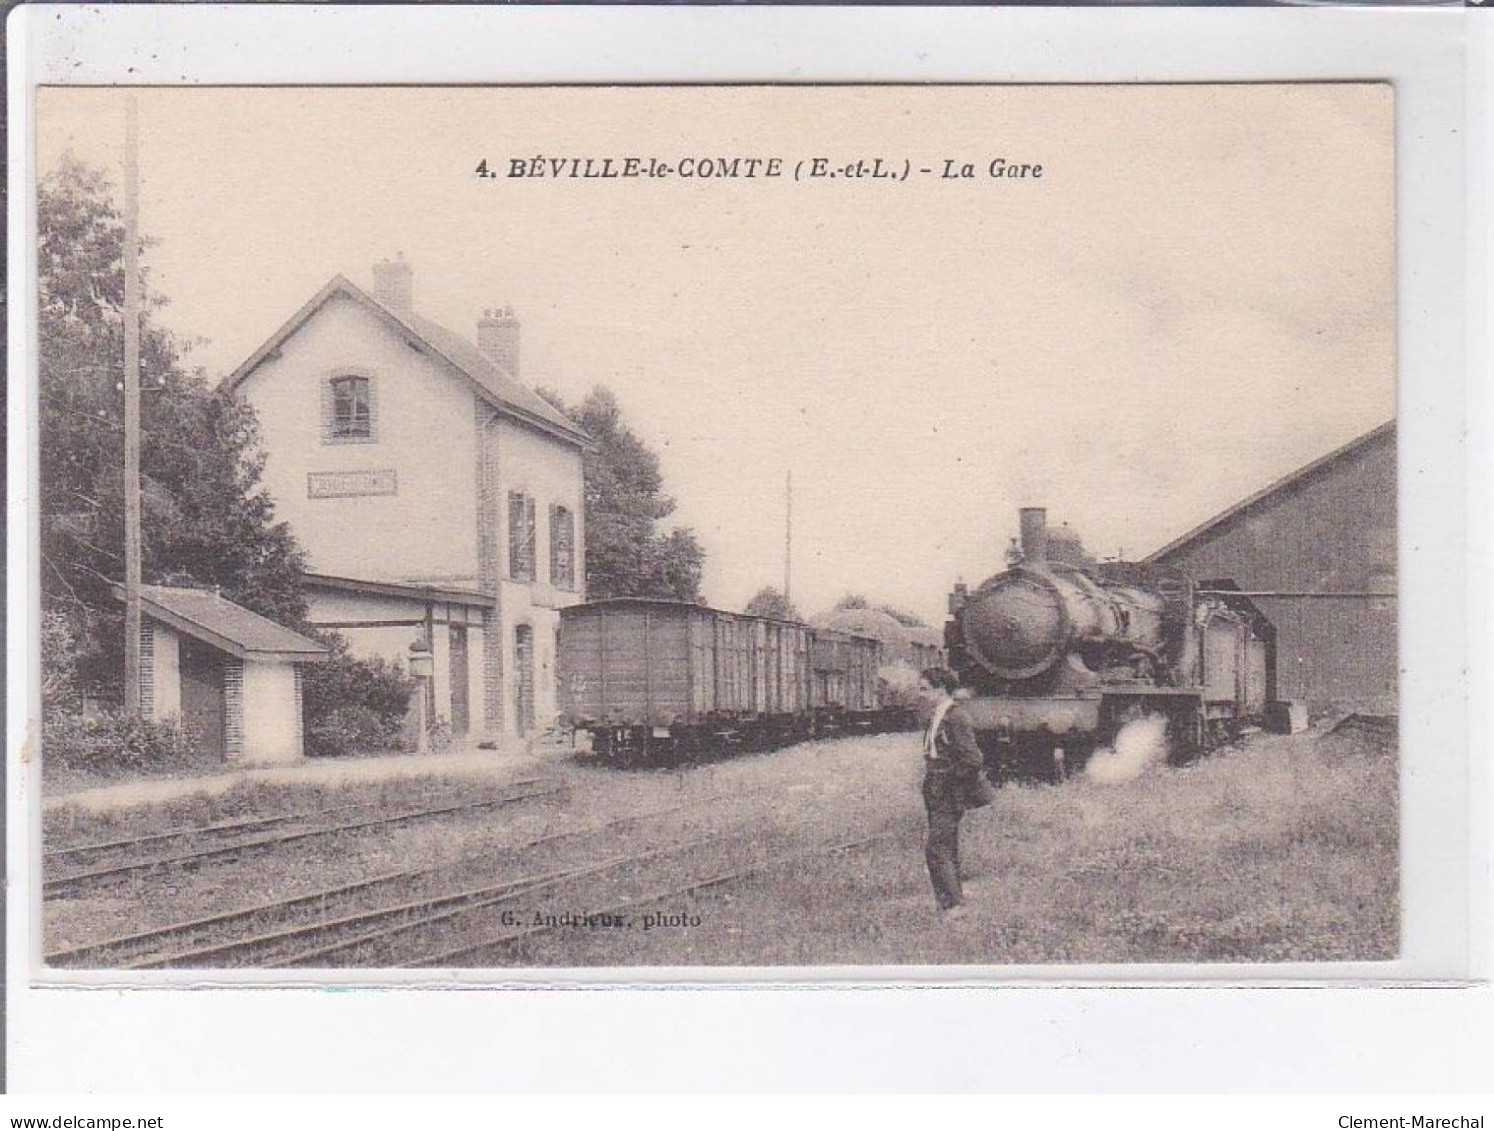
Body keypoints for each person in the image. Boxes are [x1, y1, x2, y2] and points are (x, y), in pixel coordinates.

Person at [918, 666, 995, 917]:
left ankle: (953, 905)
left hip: (947, 789)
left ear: (940, 690)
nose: (921, 694)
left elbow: (973, 759)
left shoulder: (956, 717)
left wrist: (950, 781)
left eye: (924, 689)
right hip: (935, 787)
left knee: (936, 848)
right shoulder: (938, 715)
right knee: (946, 847)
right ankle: (949, 902)